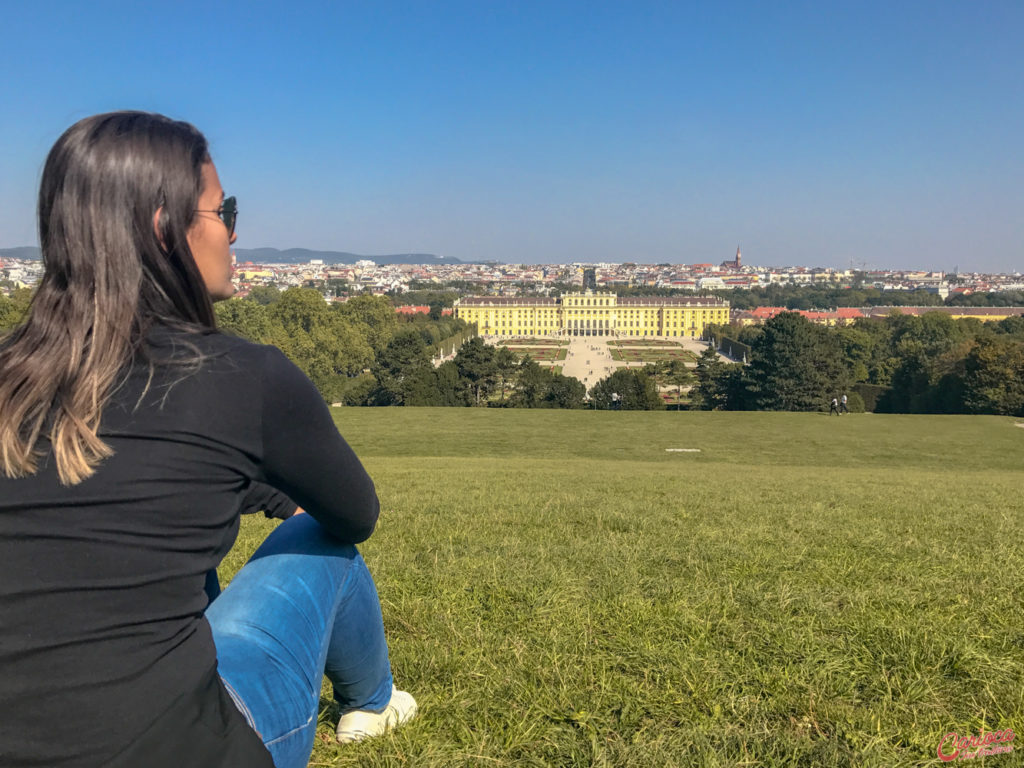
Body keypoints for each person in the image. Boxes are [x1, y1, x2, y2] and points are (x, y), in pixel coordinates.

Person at [0, 112, 416, 768]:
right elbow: (355, 515)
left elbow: (126, 473)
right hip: (183, 747)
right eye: (225, 211)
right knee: (324, 541)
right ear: (166, 226)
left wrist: (251, 485)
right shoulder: (245, 378)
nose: (233, 232)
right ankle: (374, 701)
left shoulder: (11, 378)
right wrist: (281, 493)